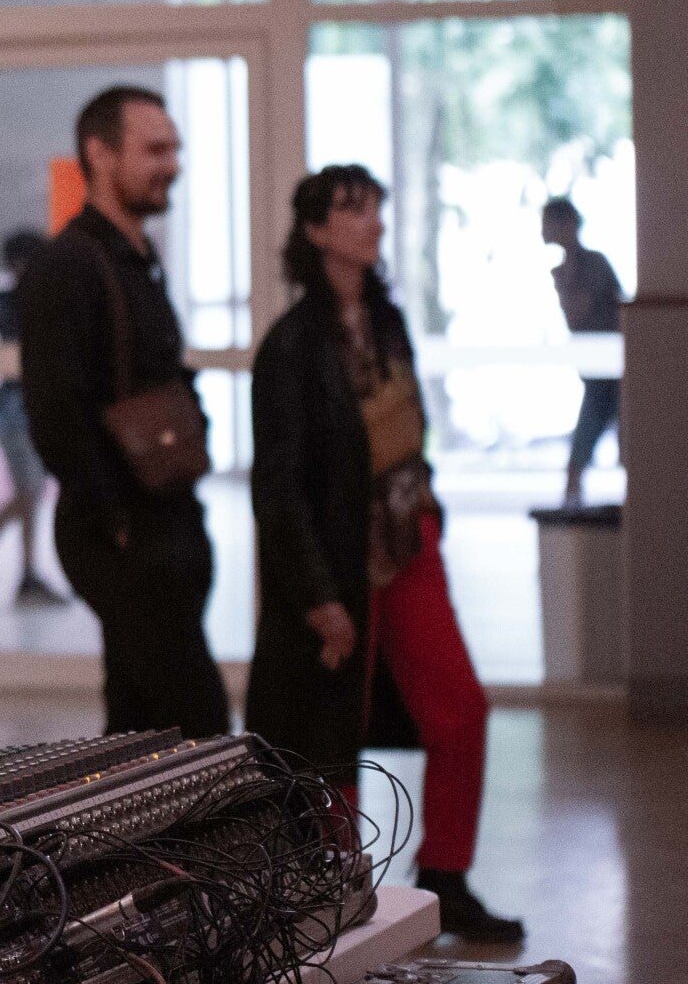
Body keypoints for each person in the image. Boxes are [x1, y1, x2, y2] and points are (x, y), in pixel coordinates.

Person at [246, 165, 523, 943]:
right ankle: (340, 889)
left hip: (407, 545)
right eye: (352, 209)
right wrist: (316, 595)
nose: (371, 221)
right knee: (333, 729)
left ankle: (445, 875)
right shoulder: (291, 345)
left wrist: (425, 505)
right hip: (337, 561)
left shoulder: (387, 320)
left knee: (459, 708)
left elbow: (408, 431)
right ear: (315, 231)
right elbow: (279, 485)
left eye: (374, 207)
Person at [17, 86, 230, 738]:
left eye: (175, 150)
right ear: (100, 154)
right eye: (155, 150)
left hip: (162, 517)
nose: (172, 165)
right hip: (123, 531)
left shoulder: (137, 258)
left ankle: (126, 811)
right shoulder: (66, 267)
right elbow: (55, 411)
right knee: (196, 724)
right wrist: (114, 519)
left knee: (138, 724)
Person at [0, 230, 67, 606]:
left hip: (18, 408)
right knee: (29, 493)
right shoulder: (28, 301)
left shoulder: (12, 301)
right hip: (19, 409)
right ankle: (21, 574)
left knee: (28, 494)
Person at [541, 197, 623, 506]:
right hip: (597, 374)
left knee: (627, 448)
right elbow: (576, 316)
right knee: (579, 458)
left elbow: (587, 311)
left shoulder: (594, 265)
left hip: (613, 372)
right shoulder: (565, 272)